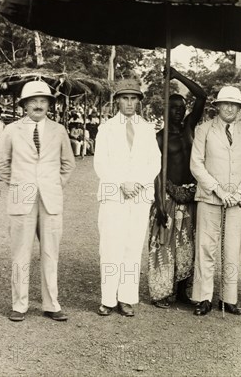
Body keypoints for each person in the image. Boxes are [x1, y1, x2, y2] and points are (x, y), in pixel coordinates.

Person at [0, 81, 75, 322]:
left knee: (51, 252)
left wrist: (51, 184)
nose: (38, 105)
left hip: (50, 199)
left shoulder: (59, 130)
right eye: (33, 101)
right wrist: (22, 184)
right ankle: (19, 305)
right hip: (22, 198)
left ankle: (51, 304)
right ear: (24, 105)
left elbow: (68, 164)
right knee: (20, 253)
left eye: (43, 101)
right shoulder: (11, 130)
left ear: (49, 105)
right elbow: (2, 166)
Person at [94, 79, 161, 317]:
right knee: (111, 245)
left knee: (132, 246)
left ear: (139, 102)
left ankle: (126, 297)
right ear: (117, 101)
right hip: (114, 194)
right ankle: (108, 299)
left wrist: (138, 183)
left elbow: (154, 161)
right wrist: (122, 182)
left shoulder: (147, 128)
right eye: (125, 98)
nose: (130, 103)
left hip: (139, 196)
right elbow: (101, 162)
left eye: (134, 98)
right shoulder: (106, 128)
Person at [190, 86, 241, 316]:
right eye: (225, 103)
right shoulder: (204, 130)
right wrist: (218, 190)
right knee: (206, 247)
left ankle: (229, 299)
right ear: (217, 106)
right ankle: (203, 297)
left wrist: (239, 193)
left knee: (232, 249)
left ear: (240, 108)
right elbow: (196, 164)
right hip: (210, 197)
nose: (229, 108)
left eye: (234, 105)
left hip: (237, 201)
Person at [148, 67, 207, 309]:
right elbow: (157, 171)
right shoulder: (160, 137)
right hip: (169, 195)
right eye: (174, 107)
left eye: (182, 108)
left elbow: (202, 96)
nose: (179, 111)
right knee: (164, 243)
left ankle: (182, 290)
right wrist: (161, 204)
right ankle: (161, 291)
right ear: (165, 110)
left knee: (187, 244)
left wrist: (177, 75)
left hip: (191, 194)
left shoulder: (190, 128)